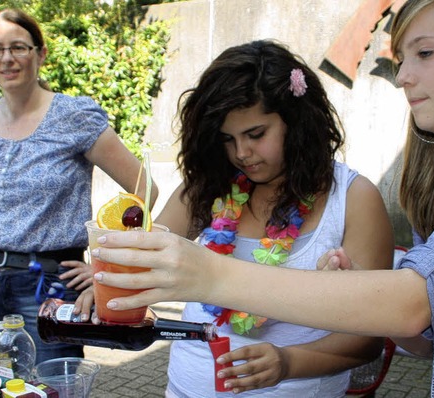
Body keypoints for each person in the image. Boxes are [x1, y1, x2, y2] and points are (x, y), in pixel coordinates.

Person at [88, 0, 434, 396]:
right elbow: (422, 337)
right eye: (402, 58)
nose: (404, 76)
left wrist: (210, 274)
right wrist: (360, 295)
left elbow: (413, 306)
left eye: (425, 54)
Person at [86, 39, 393, 397]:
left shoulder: (354, 199)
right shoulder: (208, 187)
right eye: (227, 139)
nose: (242, 153)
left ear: (297, 122)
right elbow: (146, 260)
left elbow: (368, 341)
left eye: (256, 134)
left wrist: (289, 362)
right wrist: (107, 281)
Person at [0, 8, 158, 364]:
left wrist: (105, 269)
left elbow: (145, 188)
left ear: (41, 53)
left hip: (47, 286)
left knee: (51, 384)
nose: (6, 58)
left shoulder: (73, 117)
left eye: (18, 47)